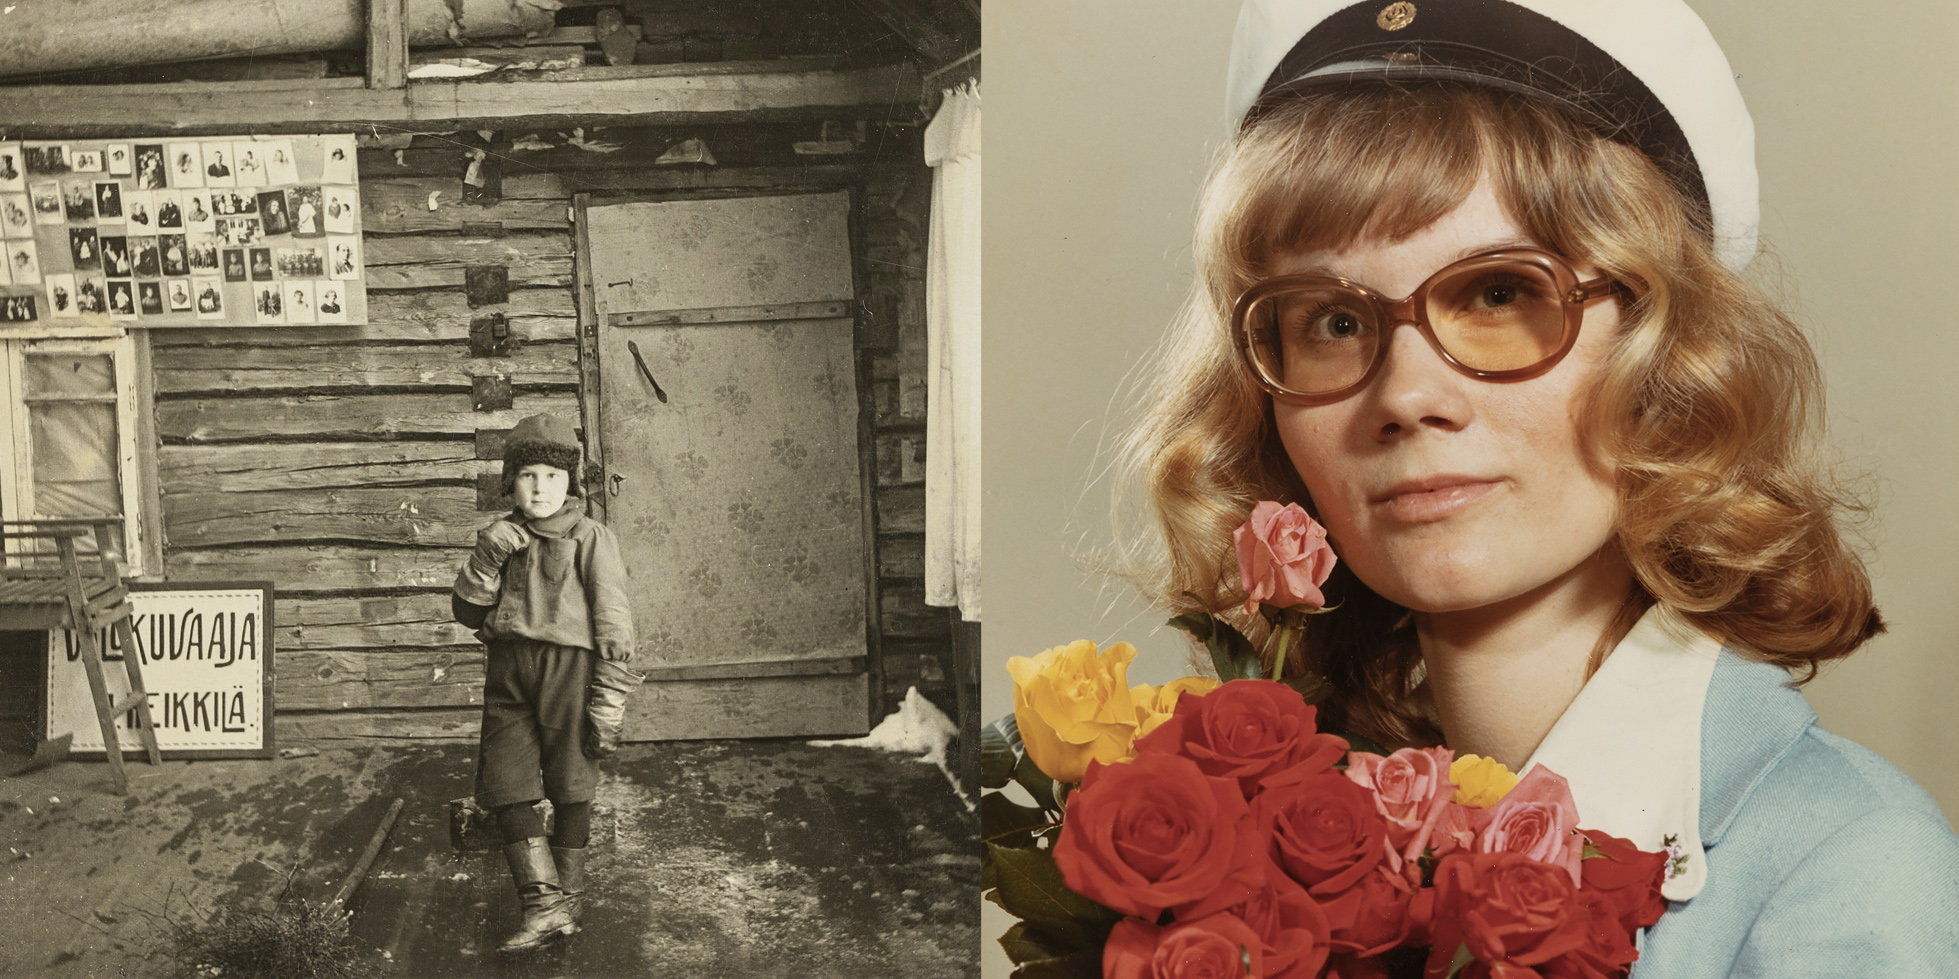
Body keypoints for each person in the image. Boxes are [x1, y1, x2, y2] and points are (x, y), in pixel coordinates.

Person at [1111, 0, 1959, 973]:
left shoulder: (1848, 877)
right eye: (1332, 322)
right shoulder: (1287, 868)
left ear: (1666, 357)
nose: (1407, 395)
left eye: (1499, 294)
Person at [450, 414, 641, 953]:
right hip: (508, 670)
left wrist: (609, 695)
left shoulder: (591, 538)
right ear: (510, 481)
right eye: (528, 475)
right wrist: (487, 557)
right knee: (505, 784)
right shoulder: (501, 538)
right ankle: (546, 905)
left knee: (570, 783)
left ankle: (564, 904)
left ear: (570, 483)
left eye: (553, 477)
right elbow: (466, 615)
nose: (540, 488)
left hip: (569, 673)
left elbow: (614, 619)